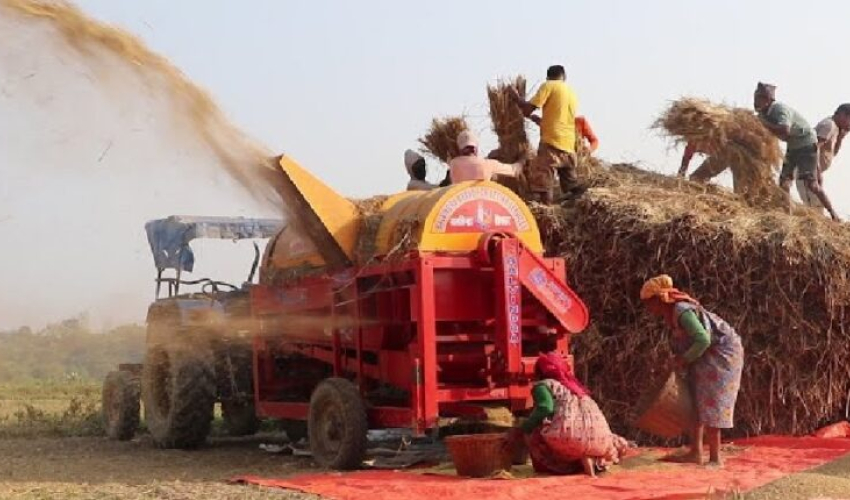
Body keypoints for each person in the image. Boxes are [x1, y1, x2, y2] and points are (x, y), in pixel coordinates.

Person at [639, 274, 744, 466]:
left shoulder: (681, 310)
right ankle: (695, 452)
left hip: (722, 354)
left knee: (712, 402)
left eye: (649, 304)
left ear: (659, 299)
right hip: (705, 352)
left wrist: (684, 359)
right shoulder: (672, 313)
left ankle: (715, 459)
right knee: (695, 399)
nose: (648, 309)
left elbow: (703, 339)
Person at [513, 340, 628, 477]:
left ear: (539, 372)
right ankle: (588, 461)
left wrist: (523, 427)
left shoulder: (543, 385)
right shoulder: (575, 387)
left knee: (535, 432)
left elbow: (545, 408)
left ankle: (559, 467)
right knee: (585, 439)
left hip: (570, 439)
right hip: (601, 441)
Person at [753, 82, 840, 220]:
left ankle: (833, 214)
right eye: (755, 97)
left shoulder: (779, 109)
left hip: (806, 144)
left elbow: (784, 129)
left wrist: (763, 124)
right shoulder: (763, 114)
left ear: (768, 100)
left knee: (811, 184)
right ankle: (788, 215)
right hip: (793, 146)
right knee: (784, 182)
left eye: (759, 98)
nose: (755, 101)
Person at [511, 65, 581, 203]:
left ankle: (547, 214)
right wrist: (540, 121)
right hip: (569, 145)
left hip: (551, 143)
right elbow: (560, 119)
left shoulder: (549, 86)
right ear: (564, 77)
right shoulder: (571, 92)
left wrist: (516, 97)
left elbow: (527, 110)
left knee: (544, 184)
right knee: (572, 187)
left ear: (548, 77)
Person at [796, 103, 850, 209]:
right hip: (807, 171)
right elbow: (813, 148)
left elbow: (832, 153)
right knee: (813, 207)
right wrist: (817, 170)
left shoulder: (836, 129)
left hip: (813, 172)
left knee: (816, 206)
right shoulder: (829, 125)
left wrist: (841, 138)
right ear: (843, 115)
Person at [448, 130, 523, 183]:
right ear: (475, 149)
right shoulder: (488, 164)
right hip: (483, 202)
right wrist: (522, 160)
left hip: (461, 202)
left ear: (460, 149)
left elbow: (469, 164)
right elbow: (514, 170)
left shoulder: (453, 163)